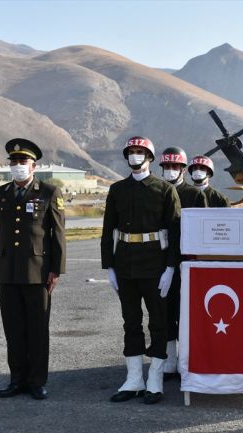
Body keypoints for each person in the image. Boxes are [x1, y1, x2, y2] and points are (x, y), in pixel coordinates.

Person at [101, 136, 181, 404]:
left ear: (150, 157)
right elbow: (107, 231)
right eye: (131, 152)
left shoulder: (164, 189)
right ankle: (134, 379)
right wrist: (109, 266)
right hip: (125, 264)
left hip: (155, 265)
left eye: (140, 152)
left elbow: (176, 231)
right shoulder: (117, 190)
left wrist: (171, 267)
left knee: (158, 323)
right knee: (130, 322)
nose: (135, 156)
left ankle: (155, 380)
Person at [0, 138, 66, 400]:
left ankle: (37, 381)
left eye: (23, 162)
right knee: (13, 329)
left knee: (37, 329)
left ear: (33, 166)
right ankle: (16, 380)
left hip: (38, 272)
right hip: (8, 270)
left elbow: (58, 235)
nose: (18, 166)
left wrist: (56, 270)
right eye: (14, 162)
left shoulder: (48, 192)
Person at [159, 146, 206, 380]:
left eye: (174, 167)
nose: (170, 170)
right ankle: (169, 359)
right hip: (163, 259)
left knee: (188, 311)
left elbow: (203, 228)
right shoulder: (158, 191)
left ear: (183, 169)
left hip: (188, 260)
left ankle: (188, 358)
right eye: (166, 167)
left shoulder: (195, 194)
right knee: (165, 310)